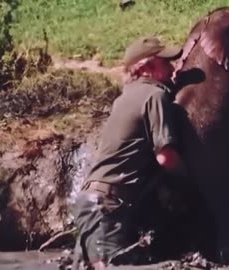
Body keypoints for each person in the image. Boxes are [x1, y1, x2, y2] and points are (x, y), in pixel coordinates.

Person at [71, 35, 187, 270]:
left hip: (88, 202)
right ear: (146, 68)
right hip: (108, 206)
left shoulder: (124, 98)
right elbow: (165, 156)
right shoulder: (155, 95)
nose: (172, 68)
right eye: (165, 63)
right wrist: (188, 179)